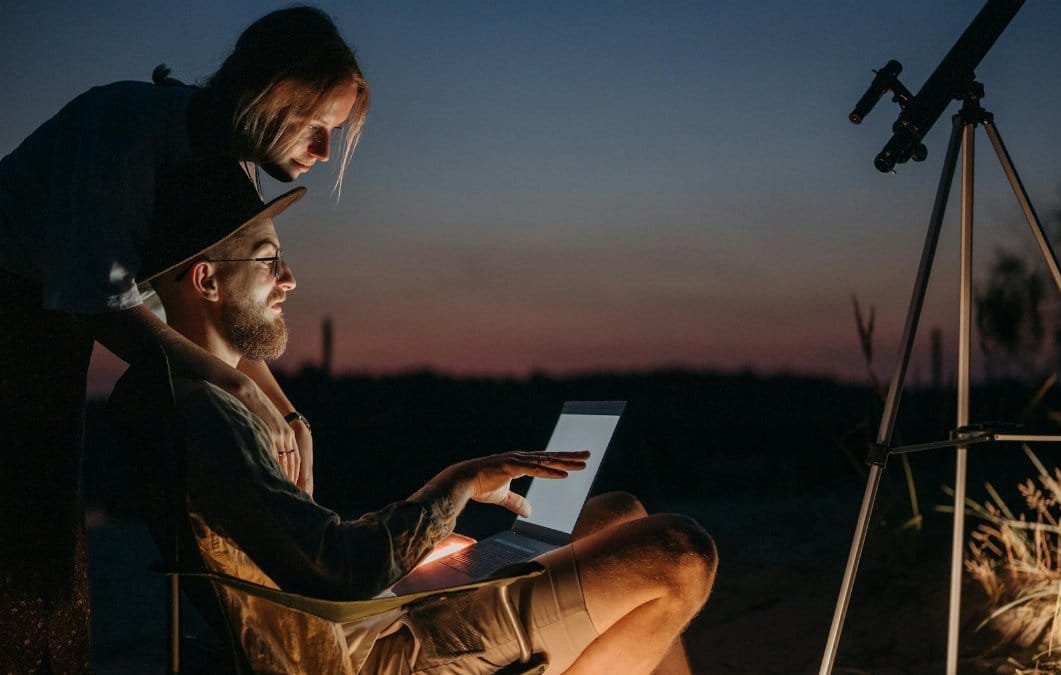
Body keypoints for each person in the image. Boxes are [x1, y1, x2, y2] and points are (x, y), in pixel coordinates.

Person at [108, 160, 717, 674]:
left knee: (622, 513)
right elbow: (336, 572)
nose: (290, 280)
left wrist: (416, 562)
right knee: (678, 553)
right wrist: (455, 486)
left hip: (376, 610)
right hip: (370, 652)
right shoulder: (209, 416)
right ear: (206, 280)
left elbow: (304, 550)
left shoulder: (215, 395)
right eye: (269, 262)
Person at [0, 7, 368, 670]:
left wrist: (283, 406)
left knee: (52, 523)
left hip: (51, 329)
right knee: (24, 531)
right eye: (318, 126)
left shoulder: (233, 164)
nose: (321, 153)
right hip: (10, 312)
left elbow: (213, 310)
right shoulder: (124, 128)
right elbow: (98, 301)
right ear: (270, 92)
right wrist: (233, 385)